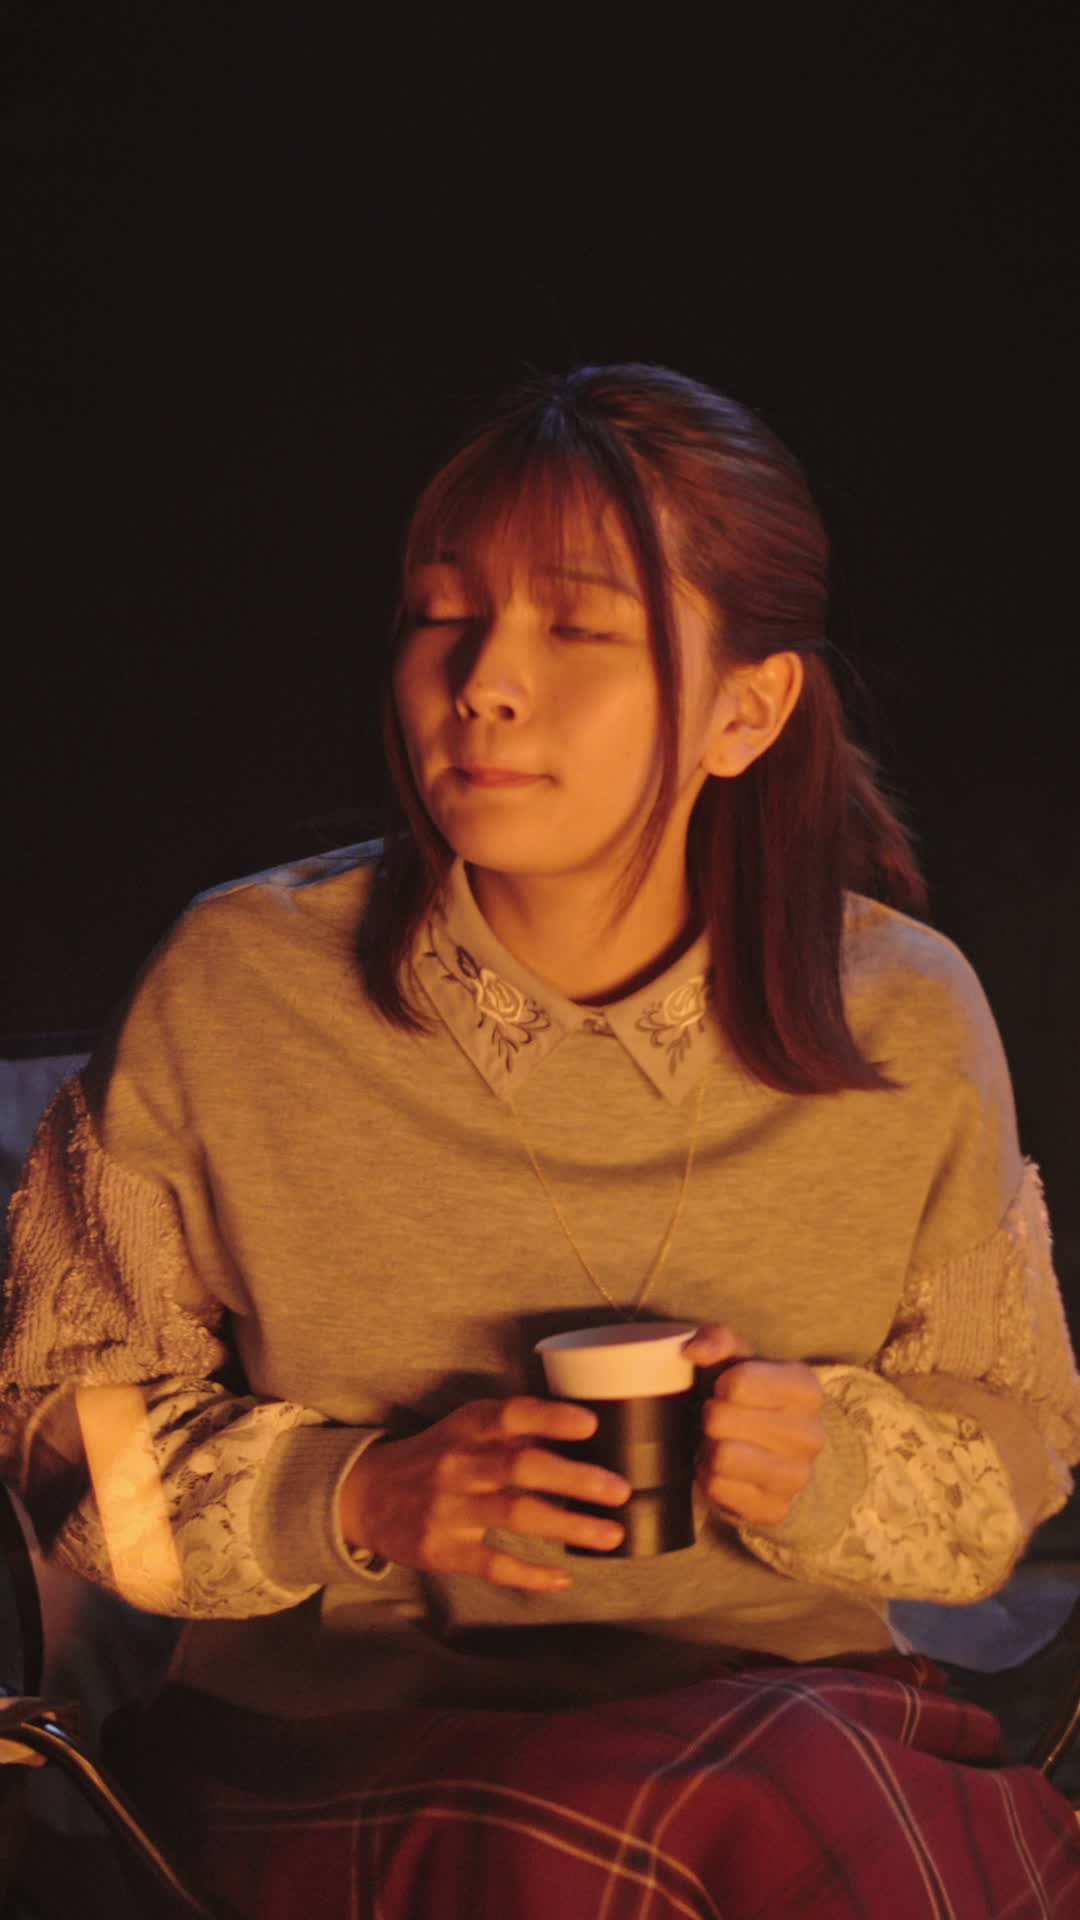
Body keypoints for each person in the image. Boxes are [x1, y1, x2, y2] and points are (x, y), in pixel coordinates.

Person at [4, 362, 1080, 1918]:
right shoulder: (240, 987)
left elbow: (1011, 1456)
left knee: (771, 1793)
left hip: (796, 1725)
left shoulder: (902, 1014)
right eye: (441, 614)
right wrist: (359, 1498)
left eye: (578, 627)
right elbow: (57, 1438)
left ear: (748, 710)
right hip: (343, 1752)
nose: (484, 680)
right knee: (735, 1822)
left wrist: (826, 1459)